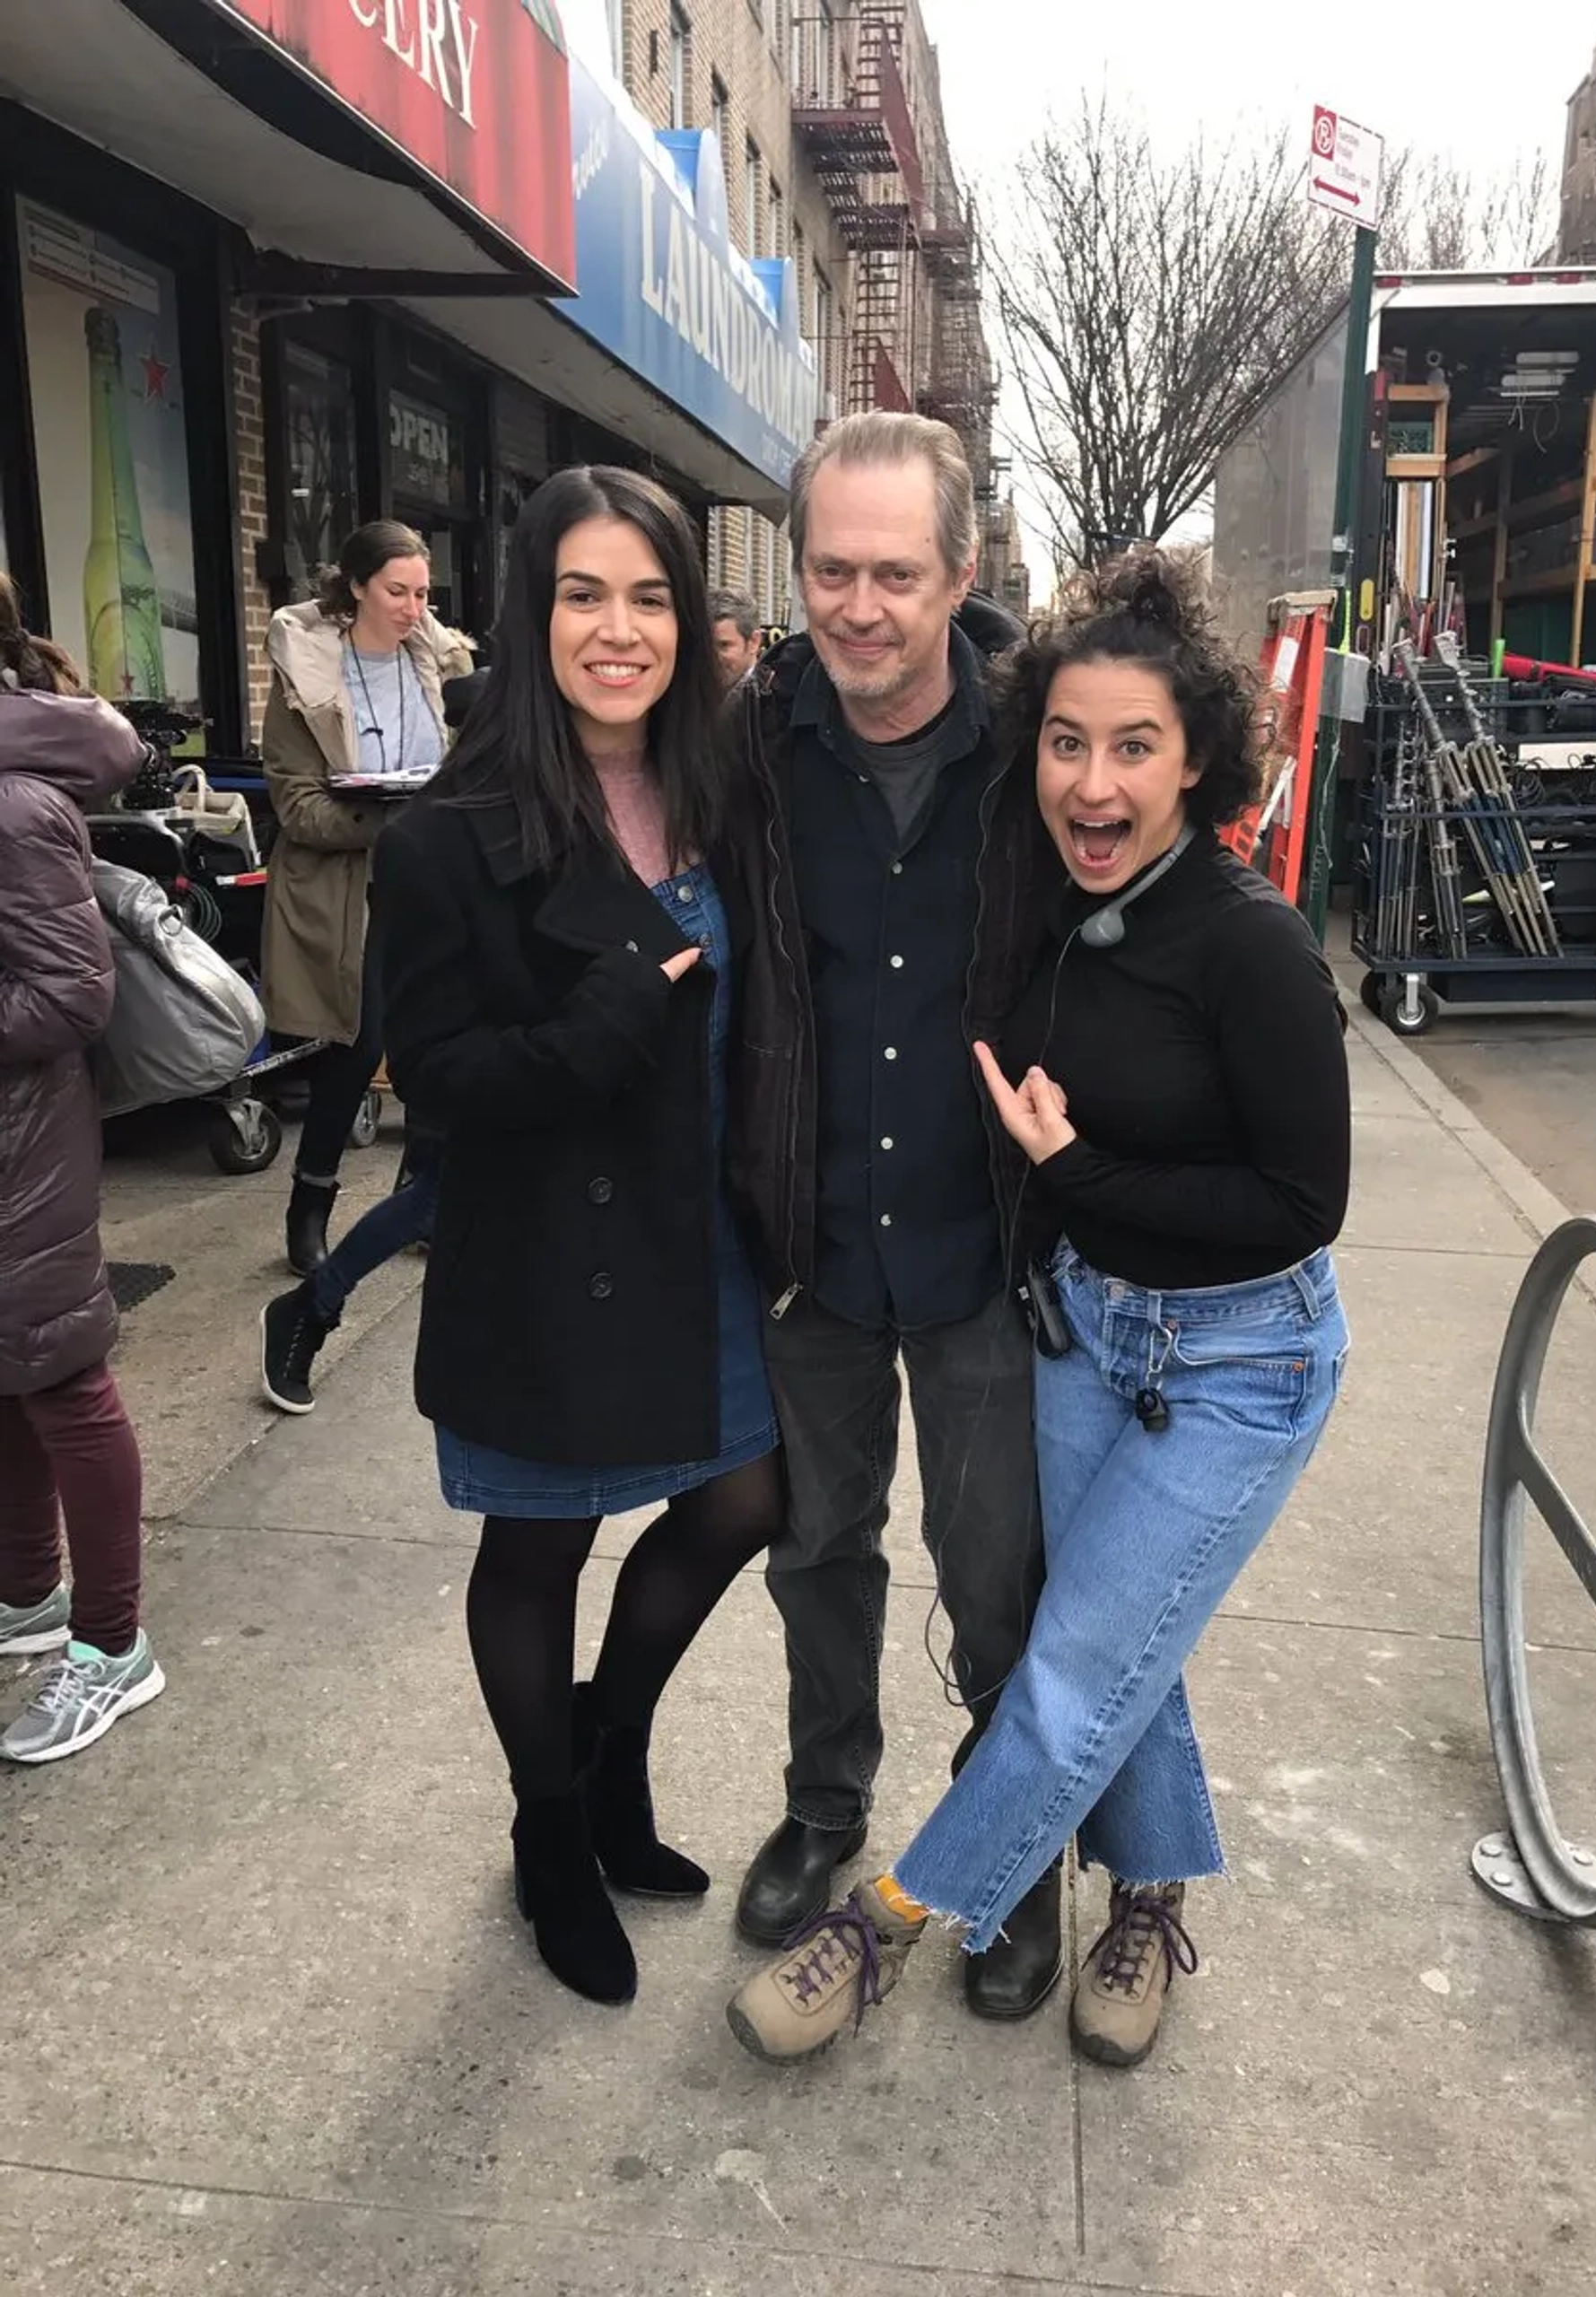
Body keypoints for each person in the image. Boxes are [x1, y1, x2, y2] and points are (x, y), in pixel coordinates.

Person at [727, 547, 1352, 2069]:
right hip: (1087, 1328)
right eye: (1067, 742)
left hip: (1244, 1355)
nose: (1093, 778)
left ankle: (892, 1919)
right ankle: (1148, 1893)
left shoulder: (1251, 945)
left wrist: (1080, 1169)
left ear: (1197, 757)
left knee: (1075, 1662)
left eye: (1135, 746)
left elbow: (1302, 1207)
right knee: (1119, 1633)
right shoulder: (1052, 906)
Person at [371, 467, 782, 2006]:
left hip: (703, 1242)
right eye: (584, 595)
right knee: (536, 1548)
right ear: (533, 611)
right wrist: (612, 1017)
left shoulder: (728, 799)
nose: (621, 630)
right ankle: (553, 1834)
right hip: (544, 1252)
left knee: (748, 1498)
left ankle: (608, 1753)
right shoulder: (448, 839)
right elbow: (448, 1089)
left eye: (652, 595)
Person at [726, 410, 1065, 2021]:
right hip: (814, 1248)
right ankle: (824, 1810)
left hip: (989, 1251)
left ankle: (1001, 1857)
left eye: (893, 574)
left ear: (963, 572)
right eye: (830, 570)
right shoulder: (747, 741)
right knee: (818, 1553)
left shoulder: (1039, 744)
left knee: (997, 1576)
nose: (856, 607)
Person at [0, 578, 166, 1763]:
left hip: (20, 1151)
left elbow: (71, 992)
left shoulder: (12, 807)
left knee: (61, 1375)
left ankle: (113, 1648)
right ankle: (26, 1599)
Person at [256, 668, 491, 1414]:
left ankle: (313, 1306)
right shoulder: (432, 829)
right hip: (467, 1051)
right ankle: (311, 1306)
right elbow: (406, 967)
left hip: (513, 1044)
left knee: (449, 1201)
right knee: (438, 1196)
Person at [260, 520, 471, 1279]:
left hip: (436, 886)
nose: (416, 607)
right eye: (398, 591)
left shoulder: (441, 669)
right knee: (355, 1052)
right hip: (352, 890)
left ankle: (422, 1204)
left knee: (438, 1046)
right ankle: (308, 1209)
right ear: (354, 588)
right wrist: (388, 818)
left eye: (424, 592)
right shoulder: (306, 682)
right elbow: (297, 810)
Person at [710, 588, 763, 691]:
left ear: (754, 642)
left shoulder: (777, 699)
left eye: (723, 645)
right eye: (707, 646)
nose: (713, 657)